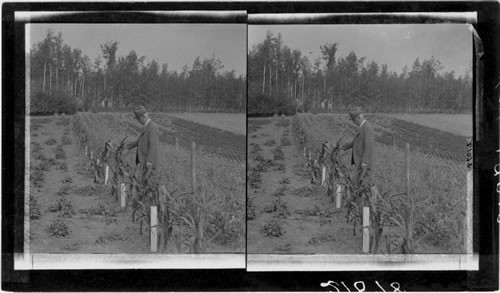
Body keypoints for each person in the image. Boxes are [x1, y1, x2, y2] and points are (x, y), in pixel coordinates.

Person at [123, 105, 160, 185]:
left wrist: (149, 161)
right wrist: (126, 147)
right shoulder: (146, 126)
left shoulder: (152, 127)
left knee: (149, 184)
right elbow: (139, 141)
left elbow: (153, 146)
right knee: (143, 184)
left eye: (138, 119)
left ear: (143, 116)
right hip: (143, 162)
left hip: (149, 164)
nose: (138, 121)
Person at [341, 106, 375, 186]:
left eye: (354, 120)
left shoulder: (367, 128)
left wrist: (364, 162)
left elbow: (368, 146)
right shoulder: (361, 127)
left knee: (364, 186)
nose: (353, 122)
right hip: (358, 163)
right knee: (357, 185)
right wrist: (343, 148)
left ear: (359, 117)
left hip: (364, 165)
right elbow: (355, 142)